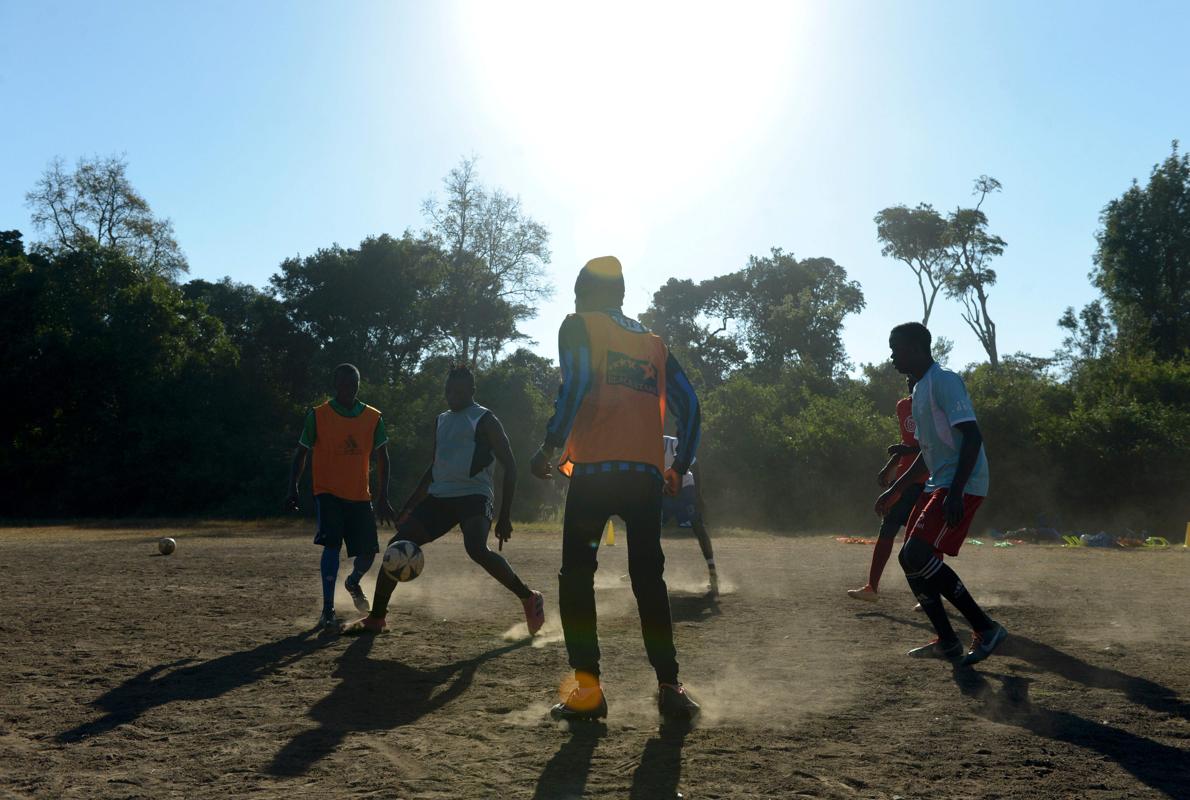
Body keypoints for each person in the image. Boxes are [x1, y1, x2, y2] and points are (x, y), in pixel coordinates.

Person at [530, 255, 702, 722]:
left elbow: (579, 383)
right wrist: (679, 464)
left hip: (594, 475)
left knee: (577, 575)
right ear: (622, 294)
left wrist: (548, 445)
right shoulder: (654, 344)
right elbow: (691, 404)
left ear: (586, 293)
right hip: (644, 477)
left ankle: (588, 692)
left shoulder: (577, 325)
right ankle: (670, 687)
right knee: (649, 579)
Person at [340, 365, 545, 637]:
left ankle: (528, 597)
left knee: (475, 548)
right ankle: (377, 618)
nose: (452, 395)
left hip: (475, 495)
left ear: (472, 391)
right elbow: (435, 466)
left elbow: (511, 465)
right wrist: (411, 504)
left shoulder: (485, 419)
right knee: (397, 546)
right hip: (440, 498)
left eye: (459, 391)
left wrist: (504, 515)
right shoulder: (442, 420)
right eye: (449, 390)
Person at [876, 323, 1007, 666]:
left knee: (917, 552)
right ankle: (948, 641)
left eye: (897, 349)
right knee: (909, 558)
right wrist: (895, 488)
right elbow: (926, 450)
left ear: (918, 348)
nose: (892, 356)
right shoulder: (918, 391)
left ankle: (985, 628)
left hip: (961, 483)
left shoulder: (944, 381)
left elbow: (973, 437)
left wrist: (956, 493)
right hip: (941, 481)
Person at [286, 363, 396, 629]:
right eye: (344, 384)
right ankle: (327, 610)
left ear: (359, 385)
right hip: (328, 492)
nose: (349, 388)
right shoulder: (319, 415)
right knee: (332, 546)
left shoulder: (372, 417)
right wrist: (293, 486)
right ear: (336, 385)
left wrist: (383, 497)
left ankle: (353, 581)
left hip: (360, 495)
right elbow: (301, 453)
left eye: (354, 384)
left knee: (369, 553)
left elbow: (383, 459)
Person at [847, 375, 924, 602]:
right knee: (886, 530)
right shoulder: (903, 406)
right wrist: (890, 466)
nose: (912, 382)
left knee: (920, 540)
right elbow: (907, 443)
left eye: (917, 378)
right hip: (902, 481)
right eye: (909, 379)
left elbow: (930, 446)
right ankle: (872, 587)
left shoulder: (932, 405)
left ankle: (927, 595)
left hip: (927, 482)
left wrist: (906, 452)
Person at [662, 434, 718, 596]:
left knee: (698, 525)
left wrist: (698, 495)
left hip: (685, 488)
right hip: (664, 491)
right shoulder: (644, 448)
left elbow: (694, 464)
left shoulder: (672, 443)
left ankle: (712, 572)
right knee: (647, 528)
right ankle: (639, 568)